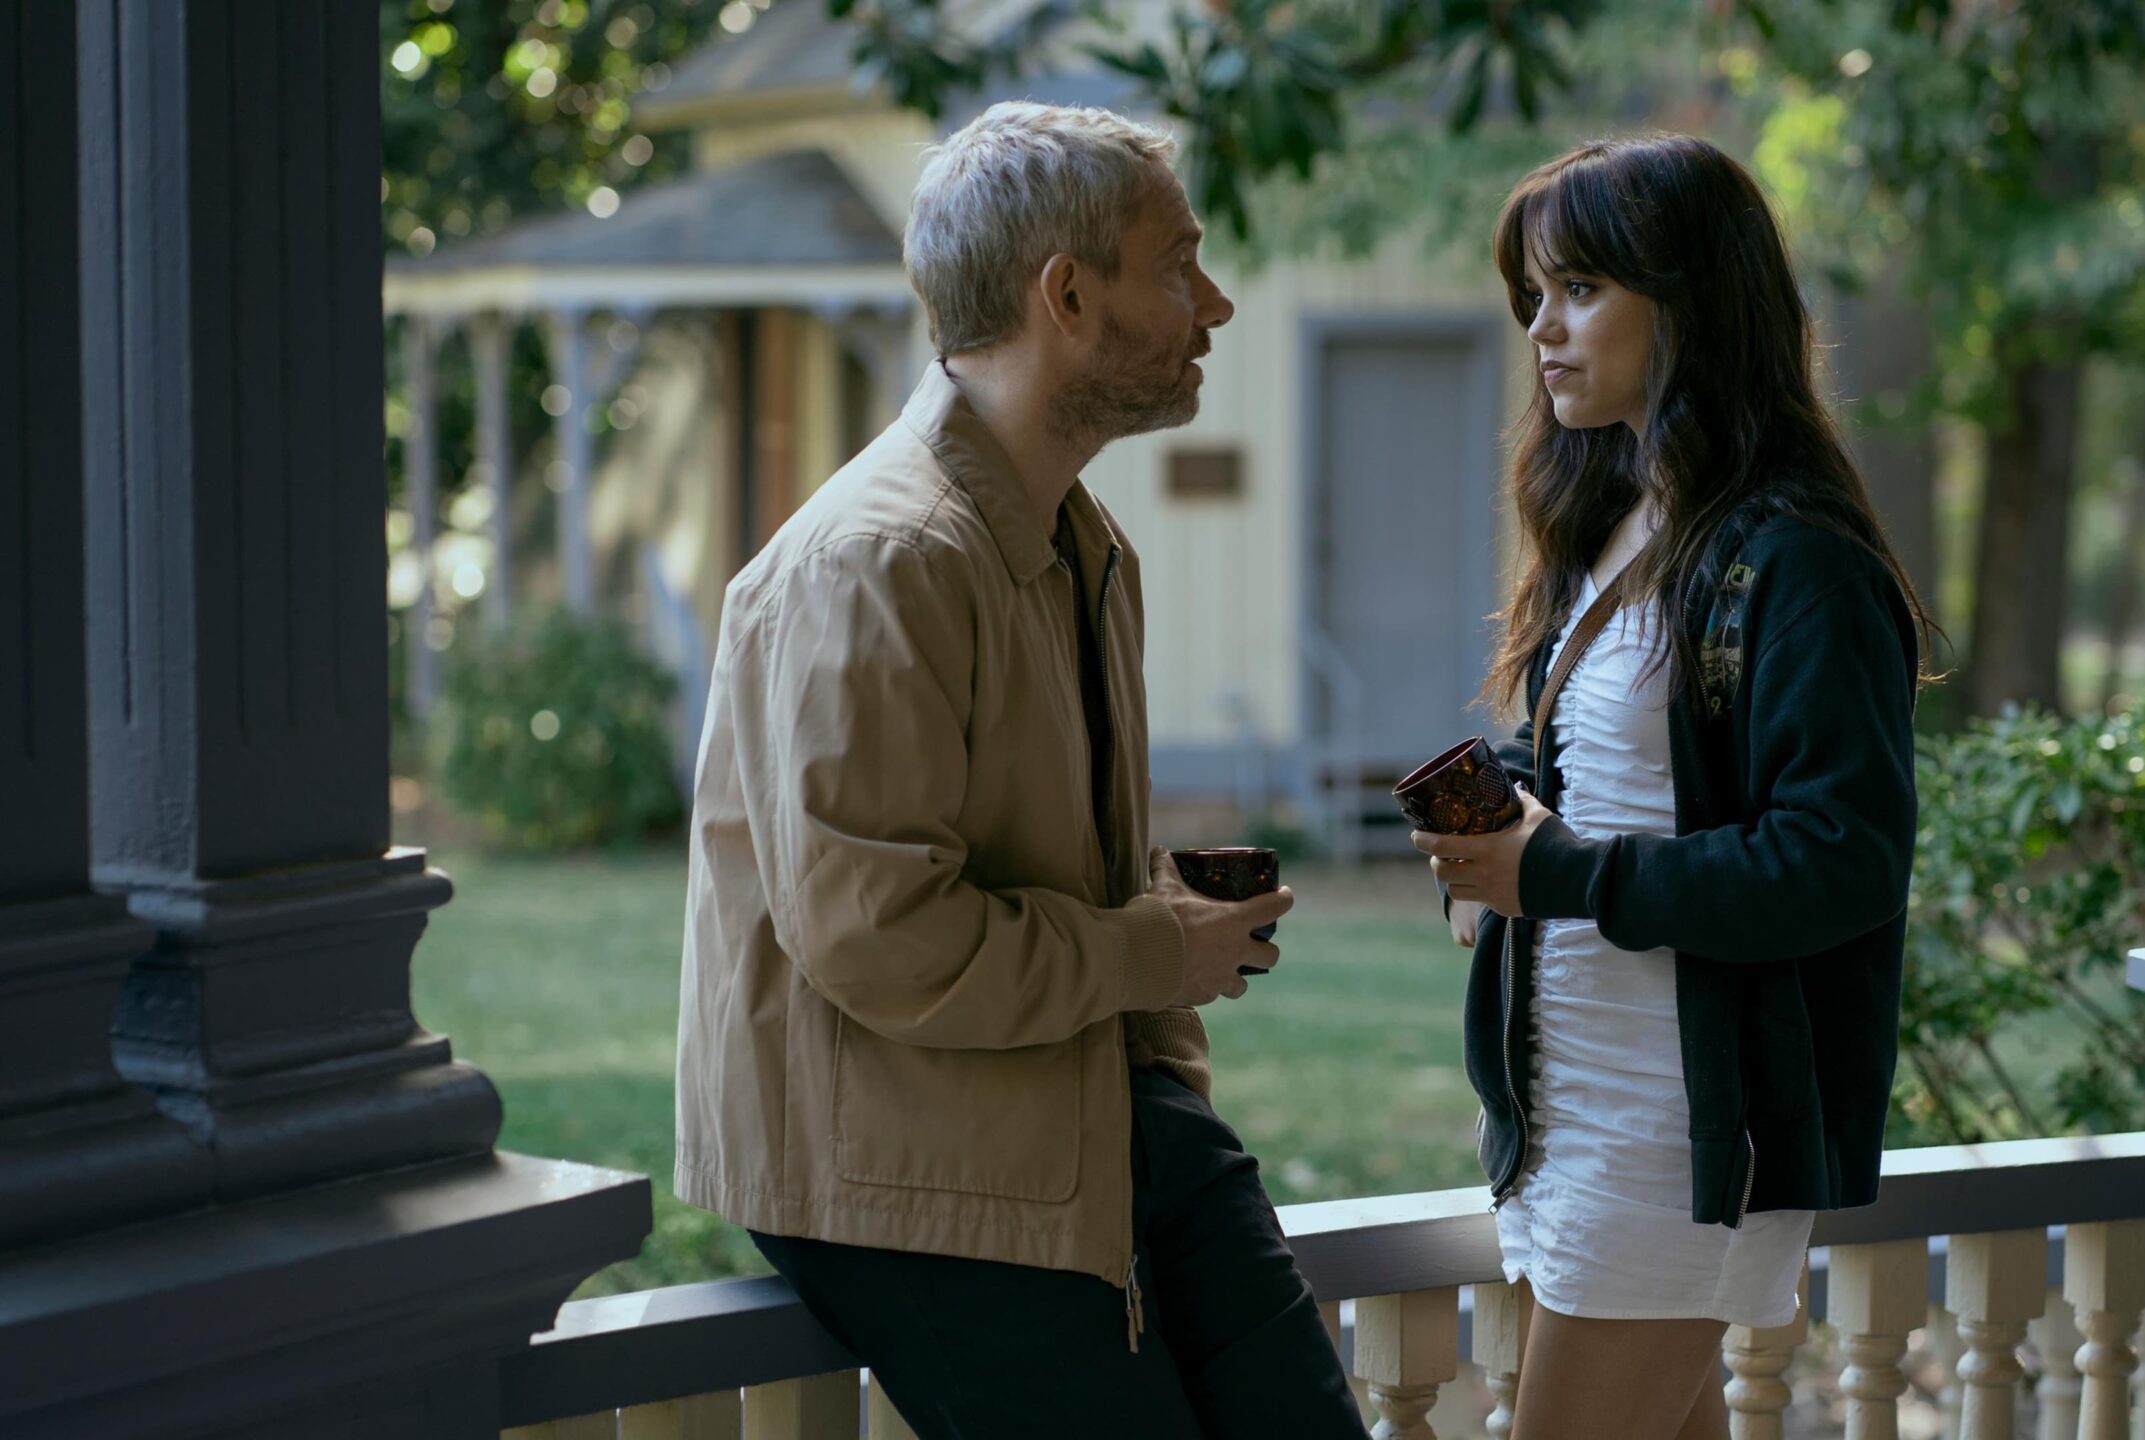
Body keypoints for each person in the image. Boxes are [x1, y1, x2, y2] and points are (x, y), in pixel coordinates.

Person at [675, 102, 1367, 1440]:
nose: (1216, 305)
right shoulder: (879, 563)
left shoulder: (1082, 543)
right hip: (914, 1173)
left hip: (1103, 1115)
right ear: (1068, 296)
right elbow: (882, 934)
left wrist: (1163, 994)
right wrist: (1152, 953)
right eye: (1180, 266)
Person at [1411, 134, 1930, 1440]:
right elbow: (1607, 775)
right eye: (1534, 294)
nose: (1543, 328)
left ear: (1691, 300)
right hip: (1573, 1104)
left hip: (1682, 1133)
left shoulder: (1798, 563)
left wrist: (1557, 873)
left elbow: (1841, 856)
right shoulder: (1616, 526)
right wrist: (1493, 831)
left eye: (1581, 288)